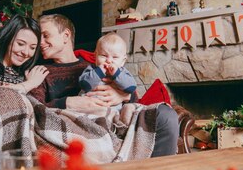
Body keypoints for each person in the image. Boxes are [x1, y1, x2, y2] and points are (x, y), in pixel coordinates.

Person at [31, 14, 179, 157]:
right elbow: (33, 109)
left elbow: (133, 98)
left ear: (65, 36)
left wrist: (122, 95)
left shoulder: (96, 65)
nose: (40, 43)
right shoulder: (40, 72)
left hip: (113, 116)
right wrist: (67, 102)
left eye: (45, 35)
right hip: (77, 125)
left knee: (165, 115)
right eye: (38, 38)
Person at [78, 32, 136, 111]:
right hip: (88, 109)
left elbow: (131, 88)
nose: (108, 60)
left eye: (115, 57)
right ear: (95, 56)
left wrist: (117, 74)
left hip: (112, 111)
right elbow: (84, 85)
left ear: (123, 61)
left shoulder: (122, 72)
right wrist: (99, 72)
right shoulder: (92, 69)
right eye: (104, 55)